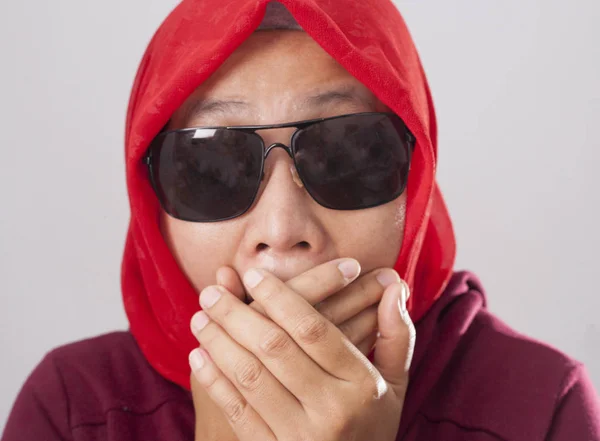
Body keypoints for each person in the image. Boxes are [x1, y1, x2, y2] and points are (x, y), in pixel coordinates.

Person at [2, 0, 599, 440]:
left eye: (346, 154)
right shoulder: (72, 409)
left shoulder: (539, 404)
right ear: (150, 203)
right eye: (212, 165)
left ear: (414, 186)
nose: (282, 230)